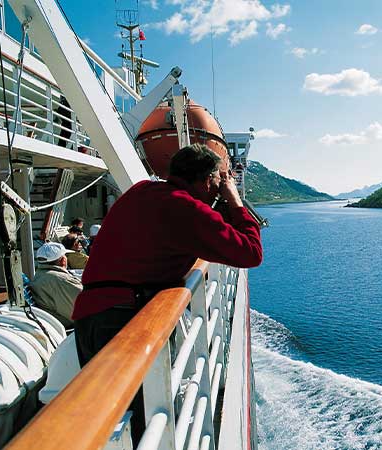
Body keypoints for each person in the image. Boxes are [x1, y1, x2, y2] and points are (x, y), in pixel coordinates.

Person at [71, 143, 263, 442]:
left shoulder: (141, 191)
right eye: (217, 183)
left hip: (90, 316)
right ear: (207, 181)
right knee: (139, 428)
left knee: (106, 420)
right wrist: (235, 202)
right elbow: (250, 252)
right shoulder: (186, 209)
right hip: (125, 323)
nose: (217, 190)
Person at [30, 242, 83, 328]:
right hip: (69, 327)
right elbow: (87, 303)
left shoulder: (40, 275)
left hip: (53, 321)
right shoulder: (61, 280)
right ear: (63, 260)